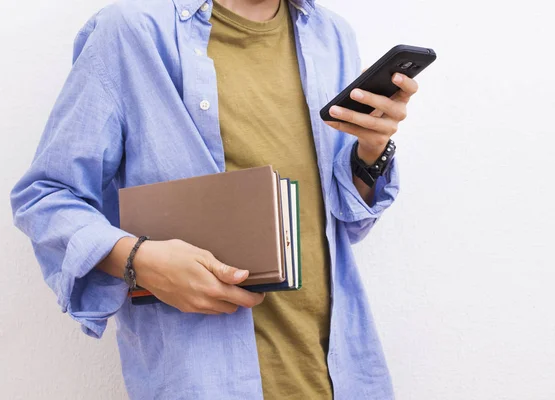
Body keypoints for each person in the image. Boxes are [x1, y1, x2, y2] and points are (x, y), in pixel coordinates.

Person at [10, 0, 419, 398]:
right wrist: (140, 260)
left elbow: (340, 226)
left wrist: (372, 150)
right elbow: (45, 196)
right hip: (204, 378)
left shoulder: (332, 35)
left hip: (340, 375)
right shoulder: (131, 30)